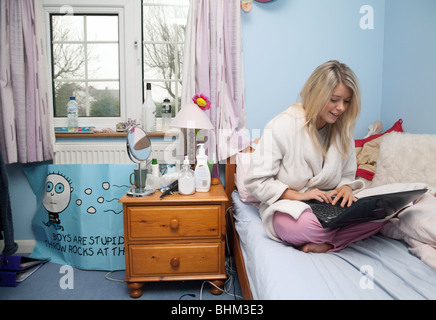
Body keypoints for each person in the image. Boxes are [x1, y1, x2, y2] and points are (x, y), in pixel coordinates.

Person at [244, 60, 386, 253]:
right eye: (334, 99)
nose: (341, 108)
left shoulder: (342, 131)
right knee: (306, 227)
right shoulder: (281, 126)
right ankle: (332, 239)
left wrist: (345, 188)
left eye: (346, 101)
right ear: (317, 94)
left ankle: (327, 242)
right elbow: (256, 181)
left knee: (383, 217)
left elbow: (347, 174)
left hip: (330, 207)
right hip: (290, 206)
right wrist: (300, 196)